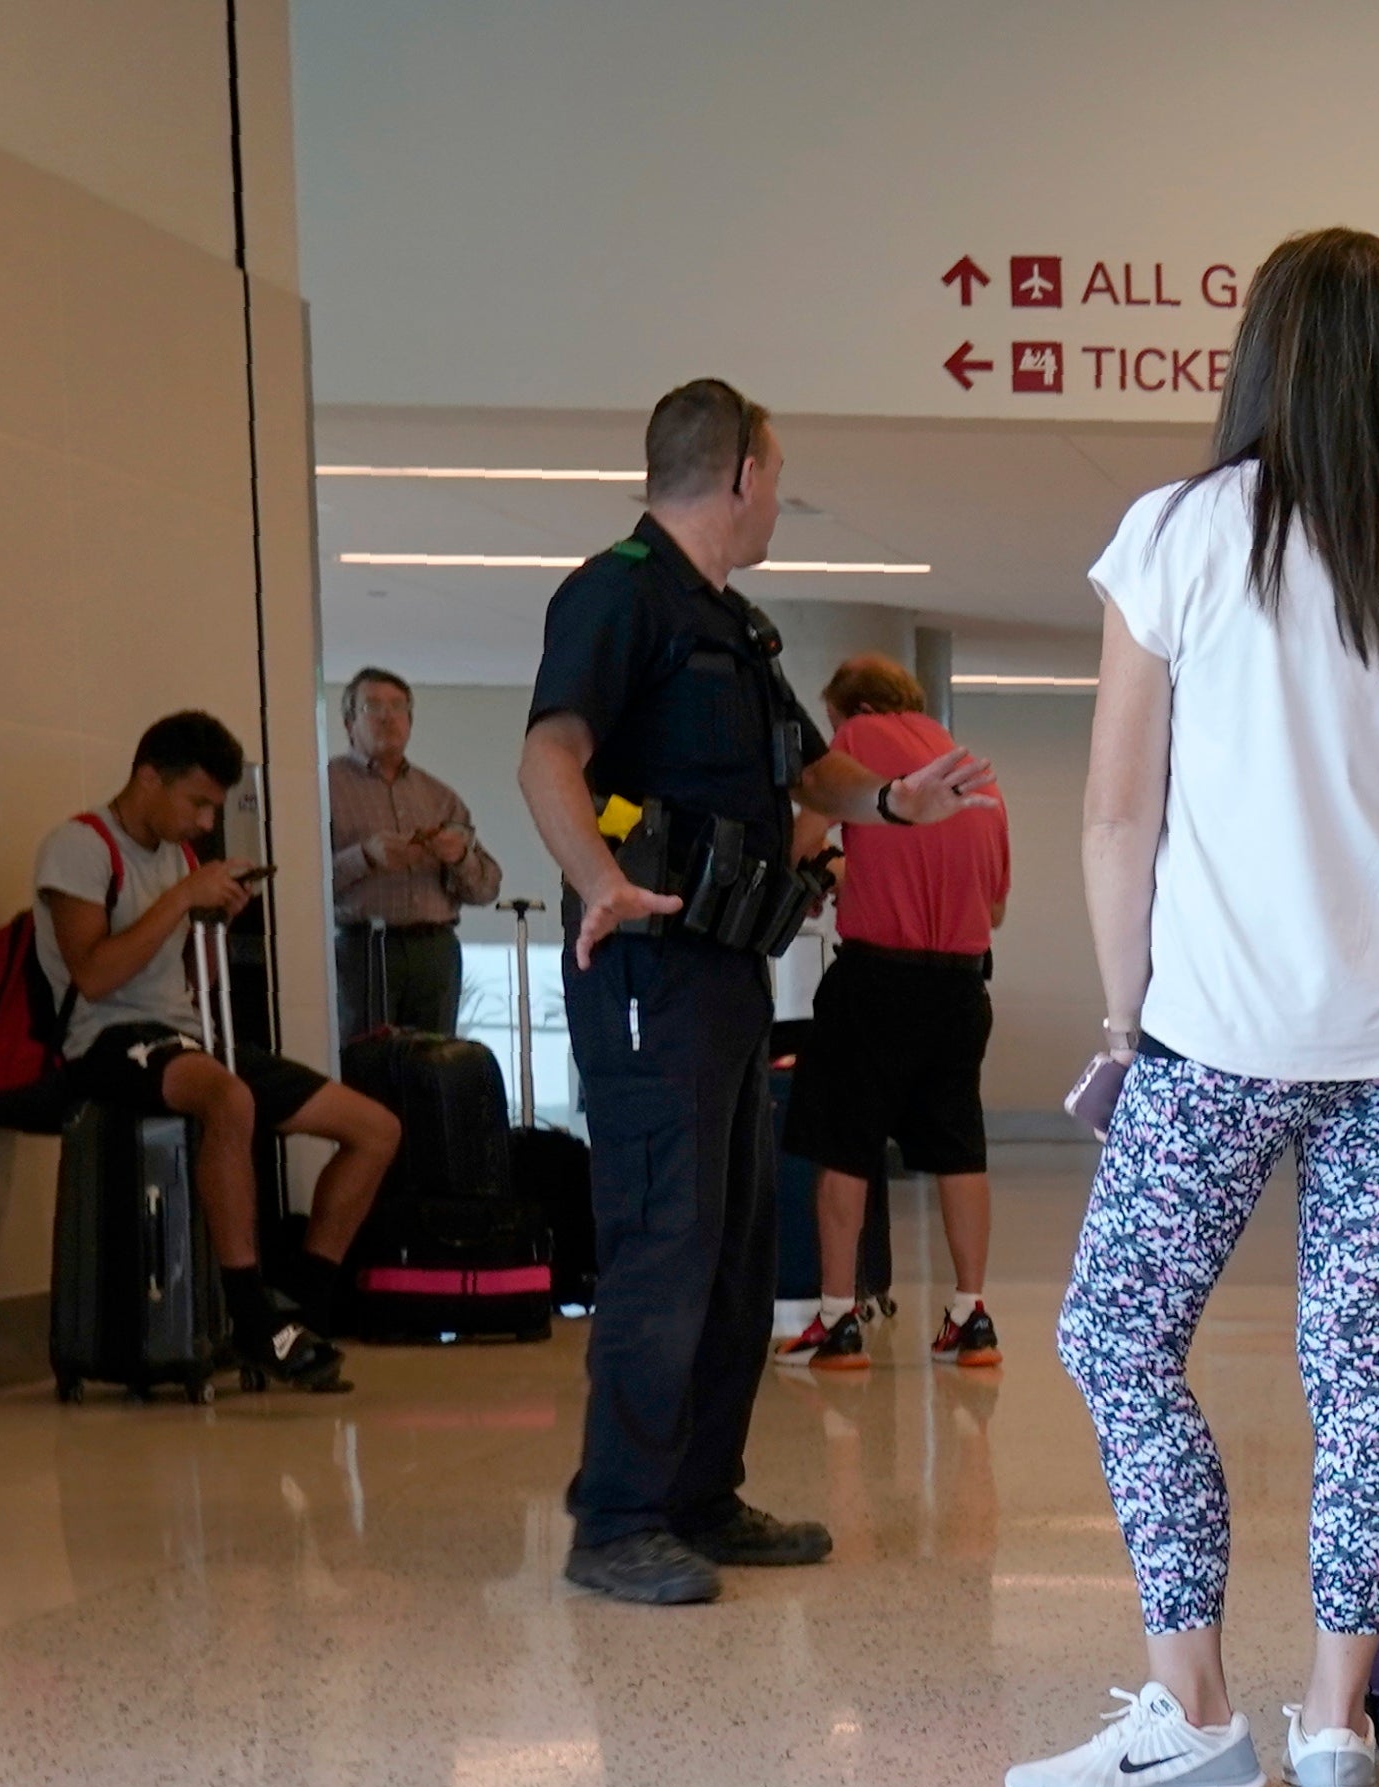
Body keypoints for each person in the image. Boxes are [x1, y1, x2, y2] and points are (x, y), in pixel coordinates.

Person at [1007, 227, 1379, 1787]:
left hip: (1219, 1032)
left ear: (1261, 363)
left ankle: (1193, 1707)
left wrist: (1122, 1015)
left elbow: (1117, 817)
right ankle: (1332, 1727)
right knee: (1353, 1360)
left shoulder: (1181, 536)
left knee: (1116, 1332)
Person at [514, 378, 996, 1608]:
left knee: (731, 1242)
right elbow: (548, 755)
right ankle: (616, 1519)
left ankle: (698, 1495)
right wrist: (599, 883)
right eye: (776, 476)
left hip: (726, 965)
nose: (779, 498)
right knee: (662, 1240)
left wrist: (893, 801)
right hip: (644, 966)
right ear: (735, 475)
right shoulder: (616, 593)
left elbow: (808, 767)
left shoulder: (732, 623)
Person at [31, 709, 401, 1393]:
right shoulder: (80, 847)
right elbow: (94, 973)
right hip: (107, 1041)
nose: (205, 822)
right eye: (197, 801)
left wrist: (210, 921)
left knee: (374, 1128)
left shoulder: (177, 856)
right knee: (228, 1097)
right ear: (149, 778)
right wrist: (181, 899)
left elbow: (178, 981)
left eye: (214, 806)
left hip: (180, 1034)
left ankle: (304, 1305)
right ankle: (250, 1308)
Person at [777, 652, 1011, 1374]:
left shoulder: (854, 747)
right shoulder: (976, 771)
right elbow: (994, 908)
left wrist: (838, 872)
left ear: (847, 713)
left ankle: (836, 1320)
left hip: (876, 980)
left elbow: (801, 843)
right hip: (961, 988)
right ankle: (971, 1316)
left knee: (844, 1145)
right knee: (959, 1147)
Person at [323, 666, 501, 1041]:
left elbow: (486, 889)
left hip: (435, 951)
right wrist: (365, 857)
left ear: (410, 721)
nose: (388, 717)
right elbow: (300, 885)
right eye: (373, 706)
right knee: (365, 1067)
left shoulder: (439, 797)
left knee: (433, 1069)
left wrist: (459, 858)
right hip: (362, 952)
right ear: (348, 722)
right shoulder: (323, 788)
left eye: (399, 706)